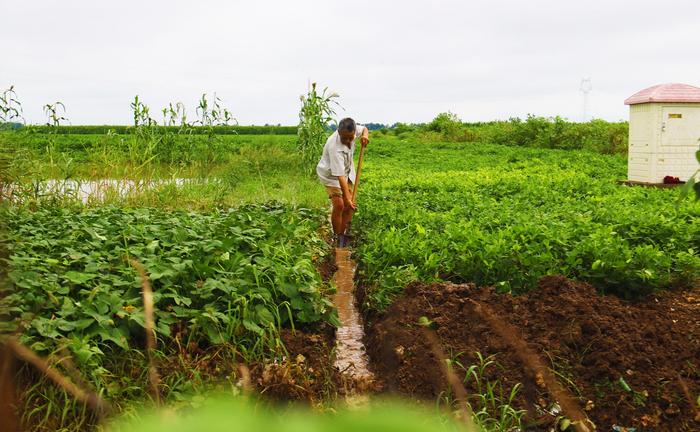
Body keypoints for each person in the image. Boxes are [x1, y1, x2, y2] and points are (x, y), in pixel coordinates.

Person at [316, 117, 369, 247]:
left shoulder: (354, 130)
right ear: (339, 133)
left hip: (346, 172)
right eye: (344, 138)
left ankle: (343, 233)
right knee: (340, 205)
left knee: (348, 206)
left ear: (354, 132)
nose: (348, 141)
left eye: (351, 138)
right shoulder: (334, 147)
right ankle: (337, 236)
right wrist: (347, 197)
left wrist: (365, 136)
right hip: (331, 176)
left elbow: (364, 129)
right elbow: (339, 177)